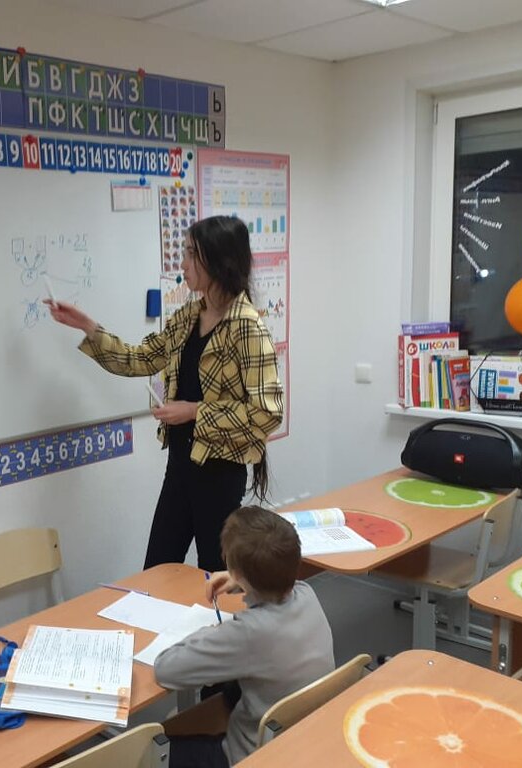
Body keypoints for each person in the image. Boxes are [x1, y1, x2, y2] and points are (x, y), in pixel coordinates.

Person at [47, 215, 283, 572]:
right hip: (180, 466)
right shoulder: (189, 316)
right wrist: (87, 327)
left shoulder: (247, 327)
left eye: (190, 254)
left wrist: (194, 411)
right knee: (156, 572)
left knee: (215, 578)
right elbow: (140, 359)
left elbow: (267, 412)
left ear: (218, 260)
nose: (182, 264)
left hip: (219, 474)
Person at [153, 506, 335, 767]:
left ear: (236, 571)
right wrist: (241, 580)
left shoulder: (248, 633)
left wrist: (214, 632)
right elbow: (276, 585)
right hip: (305, 733)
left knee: (150, 755)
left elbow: (166, 670)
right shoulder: (307, 593)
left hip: (256, 755)